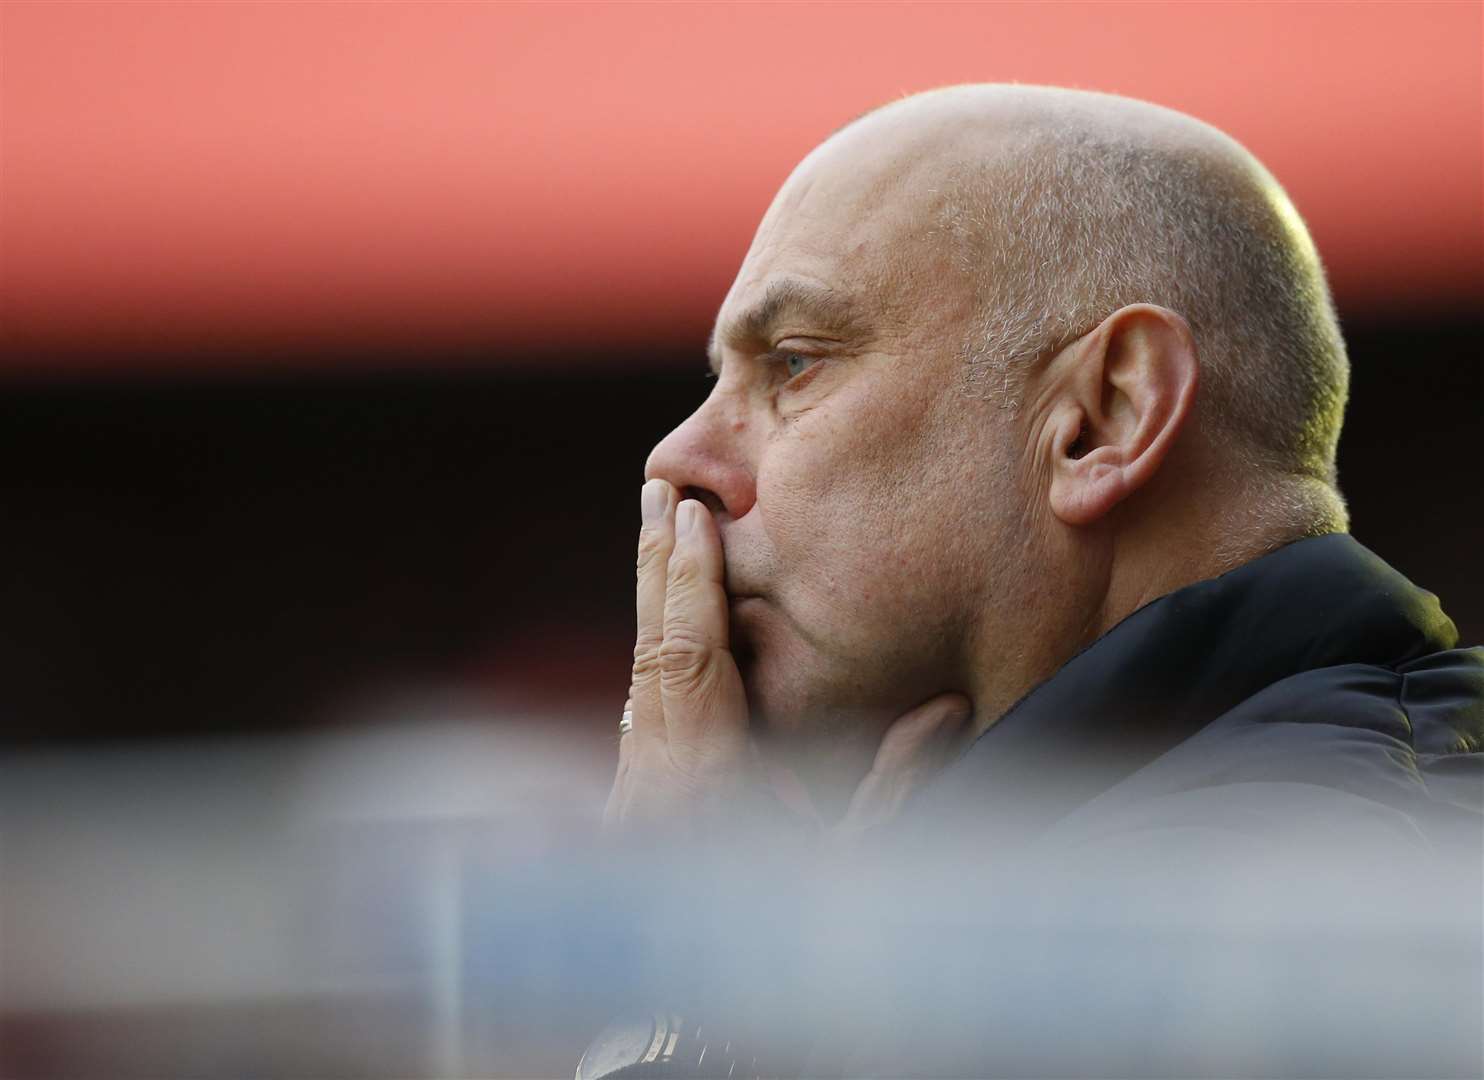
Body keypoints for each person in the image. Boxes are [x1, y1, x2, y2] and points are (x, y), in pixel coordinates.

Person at [587, 85, 1482, 1078]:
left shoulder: (1227, 930)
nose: (677, 460)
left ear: (1101, 417)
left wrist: (676, 968)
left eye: (792, 364)